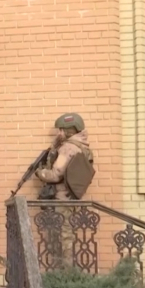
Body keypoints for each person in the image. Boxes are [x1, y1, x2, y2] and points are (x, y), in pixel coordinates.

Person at [35, 113, 94, 267]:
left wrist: (40, 173)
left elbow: (56, 174)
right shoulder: (83, 147)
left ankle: (64, 275)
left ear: (69, 130)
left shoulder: (68, 148)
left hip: (62, 199)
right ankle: (65, 274)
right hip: (72, 197)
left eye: (61, 130)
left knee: (63, 237)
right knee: (66, 235)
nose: (58, 133)